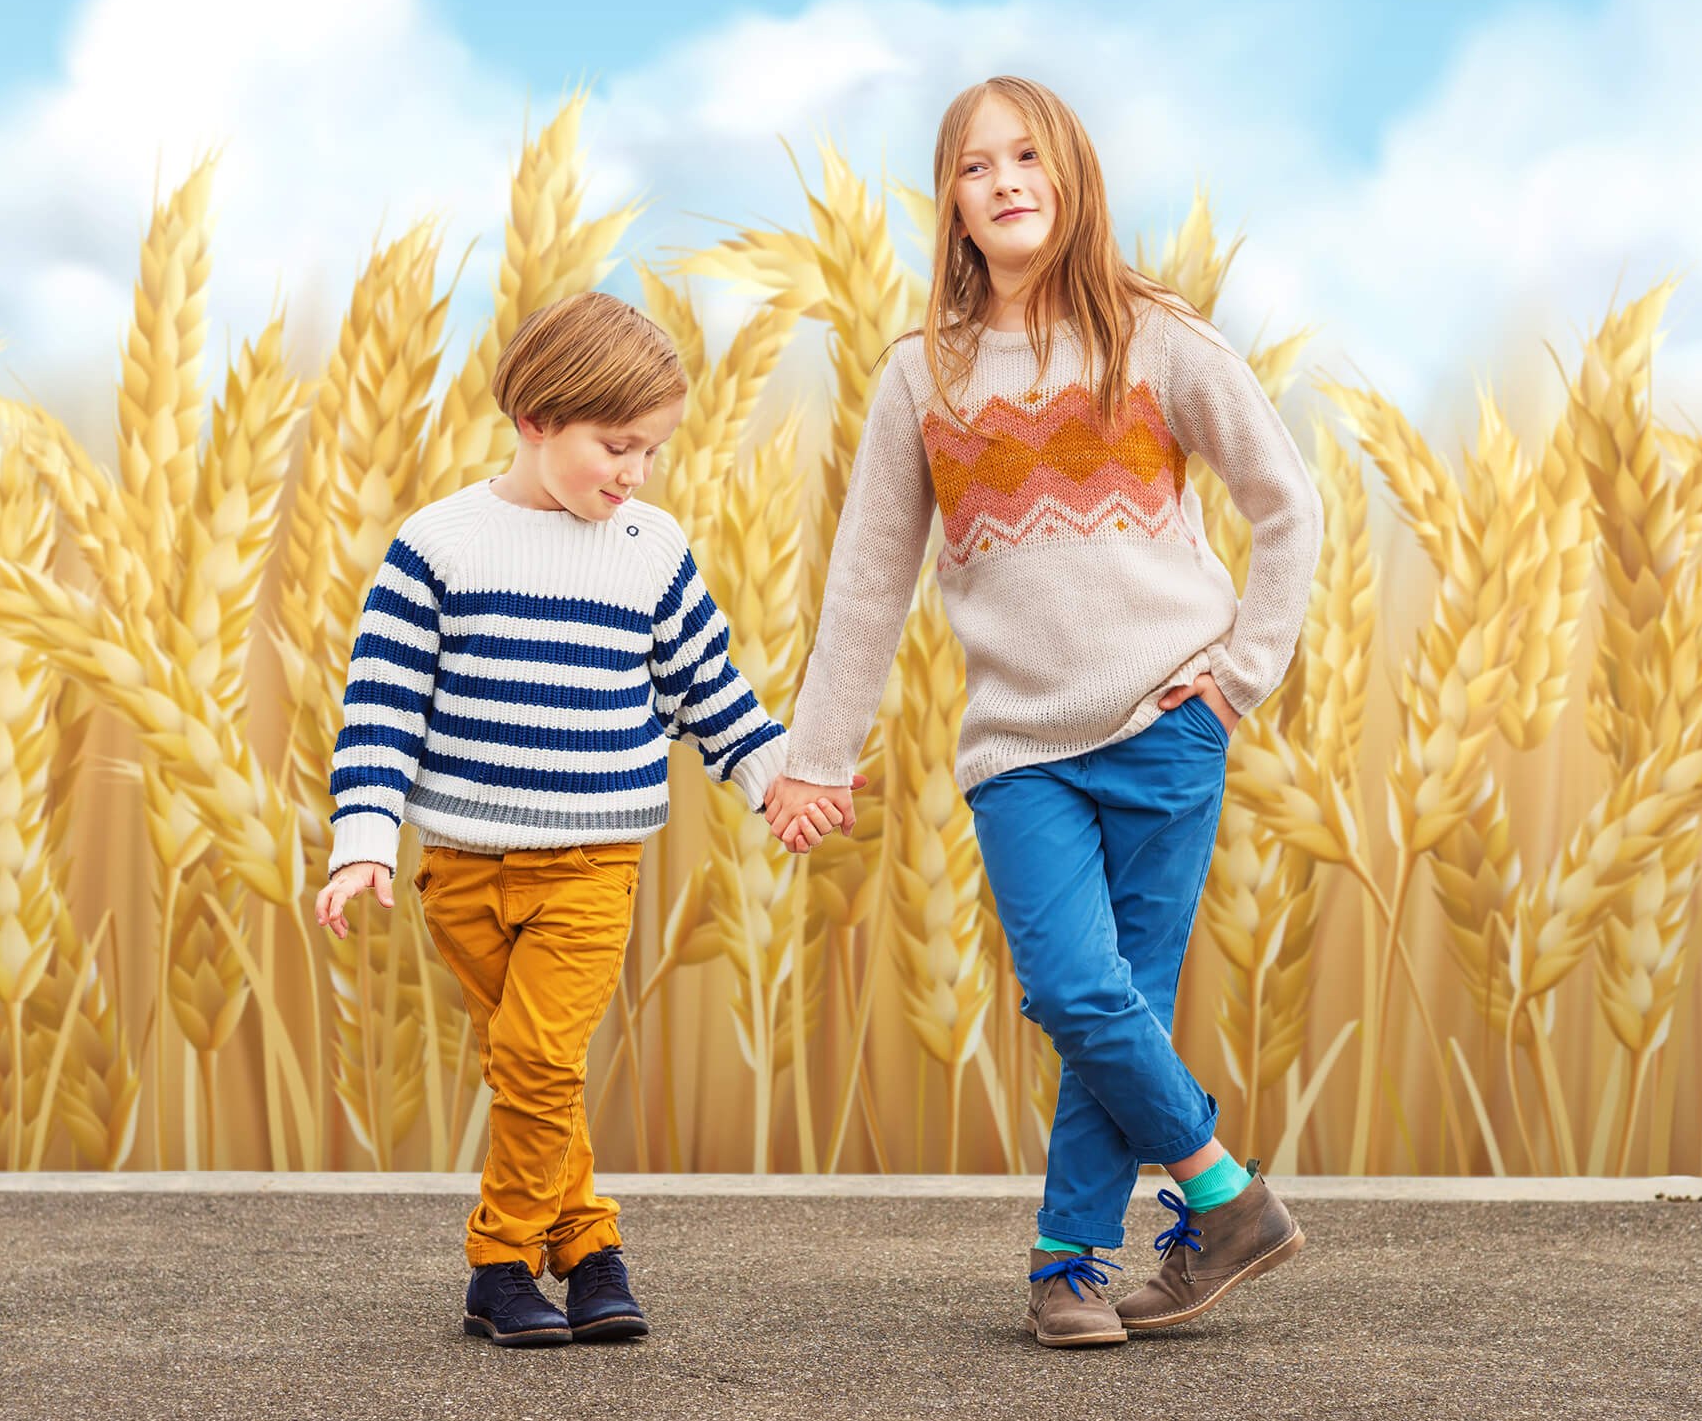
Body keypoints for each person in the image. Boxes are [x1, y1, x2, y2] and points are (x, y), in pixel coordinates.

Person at [763, 77, 1324, 1348]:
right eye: (975, 166)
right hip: (1018, 747)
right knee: (1077, 989)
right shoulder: (924, 375)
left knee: (1119, 998)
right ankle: (1225, 1195)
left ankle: (1066, 1265)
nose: (1005, 179)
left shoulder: (1156, 338)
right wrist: (819, 757)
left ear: (1069, 178)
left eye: (1028, 156)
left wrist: (1238, 676)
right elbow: (866, 578)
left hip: (1166, 724)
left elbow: (1287, 503)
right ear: (952, 205)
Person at [315, 291, 843, 1348]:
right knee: (527, 1064)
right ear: (536, 417)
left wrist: (781, 775)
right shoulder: (437, 546)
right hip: (459, 867)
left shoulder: (649, 549)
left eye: (649, 450)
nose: (634, 471)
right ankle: (592, 1246)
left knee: (543, 1057)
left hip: (591, 863)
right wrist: (362, 839)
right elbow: (380, 705)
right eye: (616, 444)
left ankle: (499, 1262)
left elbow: (709, 688)